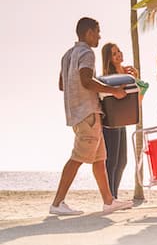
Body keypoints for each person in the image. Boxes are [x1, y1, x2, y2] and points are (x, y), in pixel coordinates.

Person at [50, 17, 134, 215]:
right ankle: (57, 203)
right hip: (88, 113)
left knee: (99, 160)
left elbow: (62, 85)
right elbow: (87, 81)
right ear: (88, 33)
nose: (99, 36)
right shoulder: (87, 53)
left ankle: (108, 201)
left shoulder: (67, 55)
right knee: (77, 158)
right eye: (97, 31)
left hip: (77, 113)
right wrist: (113, 91)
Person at [100, 42, 140, 200]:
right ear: (109, 58)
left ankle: (113, 195)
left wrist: (135, 78)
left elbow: (137, 95)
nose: (118, 55)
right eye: (114, 53)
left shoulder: (126, 74)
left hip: (122, 120)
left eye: (119, 51)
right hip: (110, 121)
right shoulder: (109, 76)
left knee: (122, 161)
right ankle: (111, 197)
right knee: (112, 160)